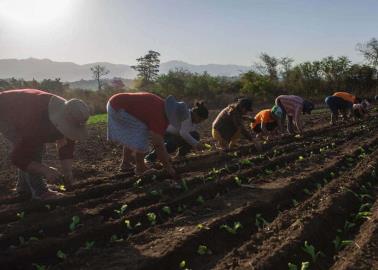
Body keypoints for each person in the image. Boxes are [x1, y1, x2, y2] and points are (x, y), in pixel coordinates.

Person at [0, 89, 90, 200]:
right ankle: (40, 192)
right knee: (35, 148)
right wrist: (45, 170)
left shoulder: (70, 112)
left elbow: (66, 143)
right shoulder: (35, 121)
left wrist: (67, 172)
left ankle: (23, 188)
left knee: (34, 146)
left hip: (25, 111)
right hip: (4, 111)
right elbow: (18, 158)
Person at [107, 92, 188, 178]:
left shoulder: (161, 106)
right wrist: (167, 167)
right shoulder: (159, 115)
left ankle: (125, 164)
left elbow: (159, 141)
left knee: (134, 134)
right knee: (142, 132)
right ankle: (140, 168)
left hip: (115, 103)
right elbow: (158, 144)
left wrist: (166, 156)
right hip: (118, 107)